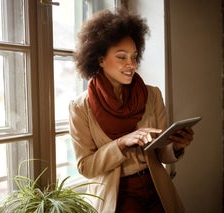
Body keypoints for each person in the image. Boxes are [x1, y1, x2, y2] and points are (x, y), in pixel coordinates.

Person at [68, 8, 195, 213]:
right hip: (118, 196)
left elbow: (162, 153)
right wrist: (121, 143)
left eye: (134, 57)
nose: (131, 64)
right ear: (100, 59)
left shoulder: (152, 95)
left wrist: (178, 146)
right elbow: (86, 167)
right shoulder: (80, 108)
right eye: (121, 57)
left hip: (157, 189)